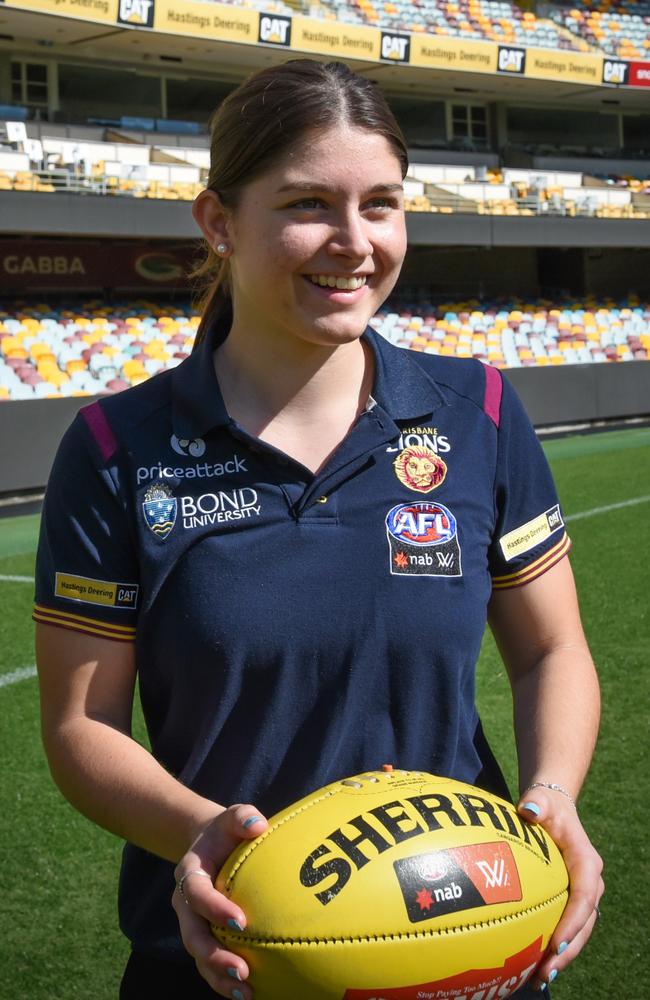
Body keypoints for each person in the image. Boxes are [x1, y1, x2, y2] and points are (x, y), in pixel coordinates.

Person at [34, 59, 603, 1000]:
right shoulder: (113, 447)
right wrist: (203, 835)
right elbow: (80, 726)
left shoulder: (481, 412)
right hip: (227, 958)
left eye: (380, 204)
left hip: (462, 941)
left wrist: (549, 803)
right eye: (307, 205)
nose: (354, 243)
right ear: (218, 222)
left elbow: (551, 653)